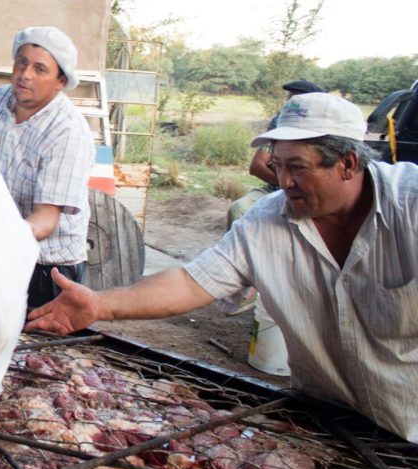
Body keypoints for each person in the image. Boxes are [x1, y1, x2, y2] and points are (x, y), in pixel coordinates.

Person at [25, 93, 418, 443]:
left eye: (298, 167)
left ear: (348, 163)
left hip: (409, 425)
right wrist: (99, 305)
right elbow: (192, 281)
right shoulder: (268, 219)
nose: (283, 181)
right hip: (326, 423)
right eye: (277, 166)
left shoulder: (410, 208)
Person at [0, 26, 95, 308]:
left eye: (40, 69)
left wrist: (4, 239)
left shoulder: (67, 132)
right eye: (22, 62)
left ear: (60, 81)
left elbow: (46, 219)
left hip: (48, 268)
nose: (25, 74)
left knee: (39, 350)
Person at [226, 80, 324, 227]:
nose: (290, 106)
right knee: (239, 208)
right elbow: (258, 166)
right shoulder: (279, 123)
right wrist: (288, 185)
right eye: (289, 100)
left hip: (314, 193)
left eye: (296, 102)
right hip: (274, 190)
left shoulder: (325, 129)